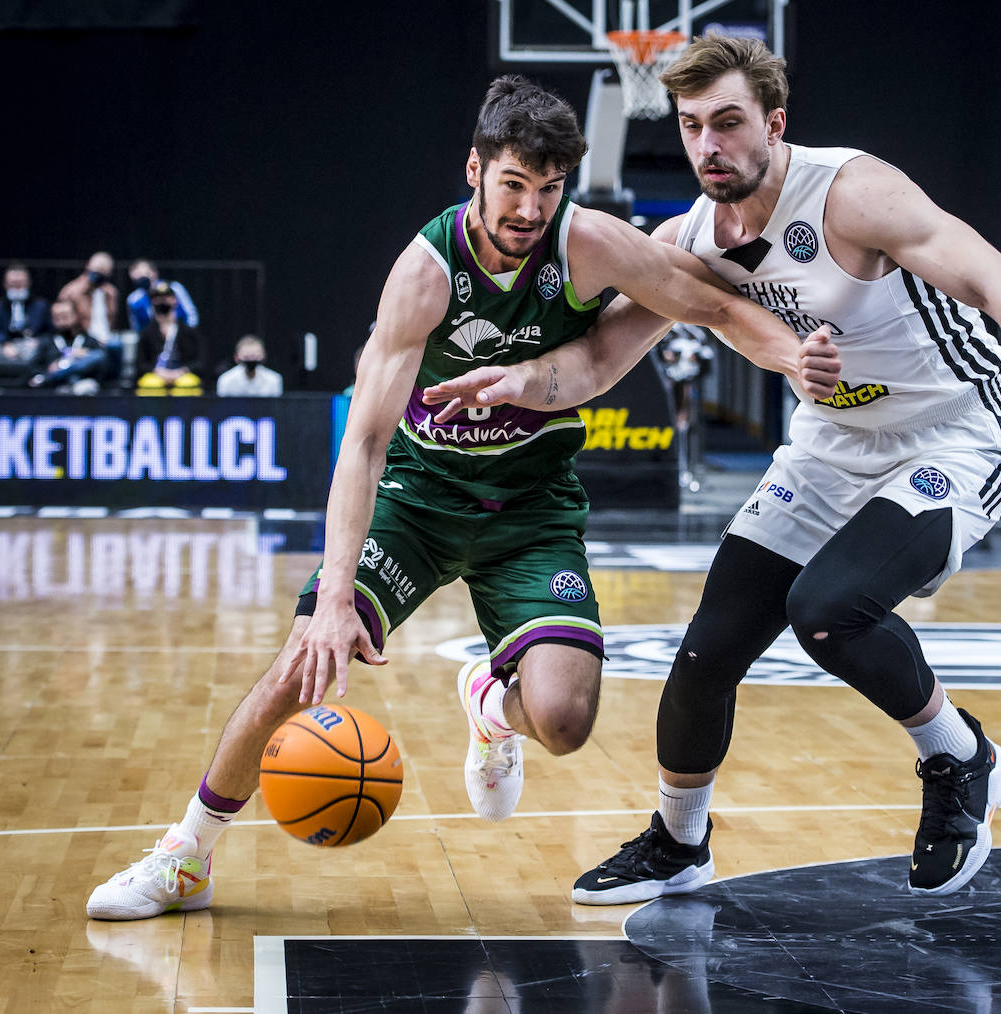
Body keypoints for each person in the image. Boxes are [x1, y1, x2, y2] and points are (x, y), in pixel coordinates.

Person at [423, 36, 1001, 903]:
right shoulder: (689, 239)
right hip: (828, 446)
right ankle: (679, 843)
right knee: (706, 651)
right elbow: (597, 362)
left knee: (827, 609)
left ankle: (960, 758)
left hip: (951, 432)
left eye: (731, 123)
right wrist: (519, 381)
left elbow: (997, 281)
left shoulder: (853, 193)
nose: (709, 144)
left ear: (774, 124)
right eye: (693, 124)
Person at [85, 74, 838, 921]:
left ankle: (491, 701)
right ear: (474, 171)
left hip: (531, 507)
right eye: (513, 184)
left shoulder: (583, 242)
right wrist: (333, 598)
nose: (529, 209)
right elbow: (364, 442)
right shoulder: (425, 273)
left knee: (563, 719)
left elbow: (708, 300)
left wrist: (794, 360)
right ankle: (184, 857)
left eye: (548, 190)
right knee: (299, 667)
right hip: (419, 499)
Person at [134, 282, 205, 395]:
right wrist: (157, 371)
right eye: (157, 298)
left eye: (166, 297)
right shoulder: (146, 333)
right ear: (152, 302)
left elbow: (200, 362)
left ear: (174, 300)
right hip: (156, 374)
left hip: (182, 374)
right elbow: (140, 364)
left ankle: (184, 413)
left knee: (187, 384)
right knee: (151, 385)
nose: (162, 300)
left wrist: (182, 371)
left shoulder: (188, 331)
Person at [29, 297, 109, 391]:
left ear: (76, 316)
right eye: (57, 318)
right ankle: (56, 375)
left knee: (96, 357)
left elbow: (103, 369)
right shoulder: (47, 341)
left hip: (81, 385)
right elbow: (33, 367)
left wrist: (84, 356)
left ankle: (57, 374)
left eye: (65, 316)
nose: (61, 321)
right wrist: (51, 367)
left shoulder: (89, 341)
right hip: (54, 387)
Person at [56, 251, 120, 341]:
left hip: (107, 340)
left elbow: (112, 320)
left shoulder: (111, 292)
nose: (100, 275)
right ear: (88, 266)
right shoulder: (70, 292)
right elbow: (62, 322)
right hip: (82, 343)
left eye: (104, 272)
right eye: (98, 270)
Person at [0, 262, 49, 345]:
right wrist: (5, 344)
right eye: (13, 284)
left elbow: (49, 331)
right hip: (4, 346)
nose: (17, 288)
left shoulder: (41, 305)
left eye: (20, 284)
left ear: (28, 283)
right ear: (5, 284)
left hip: (33, 346)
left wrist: (38, 341)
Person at [126, 258, 199, 331]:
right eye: (137, 277)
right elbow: (136, 328)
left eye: (144, 274)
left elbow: (191, 315)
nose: (141, 279)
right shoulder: (133, 300)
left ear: (154, 272)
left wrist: (187, 334)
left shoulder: (174, 288)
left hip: (180, 335)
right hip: (153, 339)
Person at [215, 334, 284, 396]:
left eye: (255, 356)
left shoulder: (274, 380)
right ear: (236, 357)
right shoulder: (226, 380)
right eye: (247, 357)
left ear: (263, 356)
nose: (251, 360)